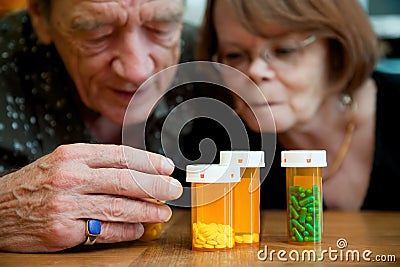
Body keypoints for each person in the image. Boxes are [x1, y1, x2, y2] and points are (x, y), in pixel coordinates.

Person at [0, 0, 190, 253]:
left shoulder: (218, 56)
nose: (136, 71)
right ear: (40, 15)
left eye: (160, 28)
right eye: (97, 32)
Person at [196, 0, 400, 211]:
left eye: (284, 50)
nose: (255, 70)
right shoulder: (215, 141)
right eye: (234, 55)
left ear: (337, 48)